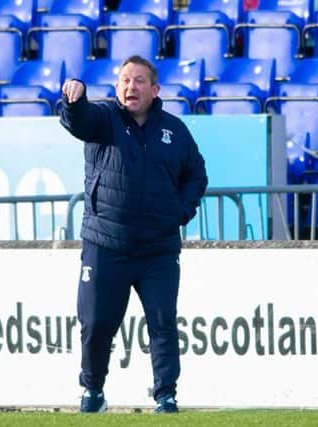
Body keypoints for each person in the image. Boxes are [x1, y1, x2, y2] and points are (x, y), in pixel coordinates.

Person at [60, 55, 208, 413]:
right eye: (125, 80)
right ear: (116, 87)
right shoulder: (103, 119)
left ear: (155, 90)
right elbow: (78, 122)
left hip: (157, 249)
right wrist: (73, 101)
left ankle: (166, 395)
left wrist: (180, 212)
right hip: (105, 243)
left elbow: (196, 175)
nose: (131, 86)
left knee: (162, 323)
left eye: (140, 80)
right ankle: (93, 390)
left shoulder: (175, 131)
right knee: (96, 323)